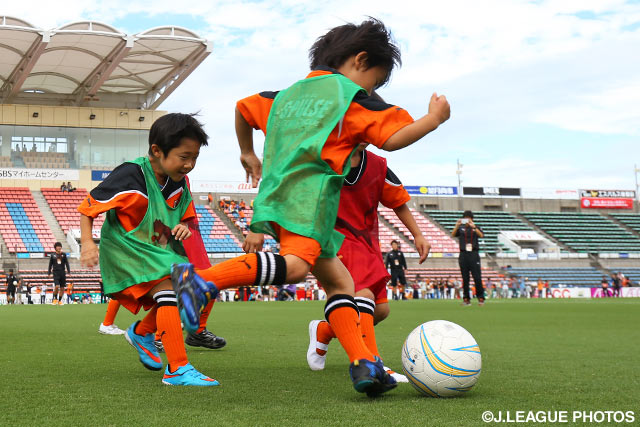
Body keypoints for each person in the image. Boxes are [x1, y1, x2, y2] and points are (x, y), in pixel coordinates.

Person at [171, 18, 450, 397]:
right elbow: (393, 139)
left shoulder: (284, 95)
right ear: (360, 60)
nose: (373, 89)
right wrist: (433, 120)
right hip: (313, 197)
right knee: (297, 267)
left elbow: (242, 108)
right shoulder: (349, 98)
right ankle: (201, 282)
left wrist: (248, 153)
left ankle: (364, 364)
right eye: (376, 81)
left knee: (341, 283)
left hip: (276, 193)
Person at [77, 113, 219, 386]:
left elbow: (181, 219)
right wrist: (87, 244)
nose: (189, 165)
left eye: (195, 158)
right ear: (157, 150)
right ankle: (178, 368)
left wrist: (182, 228)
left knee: (192, 292)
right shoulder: (131, 175)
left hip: (158, 247)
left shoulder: (177, 179)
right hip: (126, 247)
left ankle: (142, 332)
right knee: (168, 291)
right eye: (184, 156)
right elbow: (88, 207)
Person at [305, 145, 430, 383]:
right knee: (363, 296)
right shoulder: (322, 157)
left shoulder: (378, 166)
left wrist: (418, 235)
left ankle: (325, 330)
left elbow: (398, 201)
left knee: (380, 311)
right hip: (334, 239)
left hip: (367, 243)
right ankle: (372, 363)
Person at [451, 211, 485, 306]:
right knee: (465, 278)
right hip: (463, 254)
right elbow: (453, 234)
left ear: (472, 219)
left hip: (474, 254)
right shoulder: (461, 228)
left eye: (468, 218)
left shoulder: (476, 227)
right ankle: (466, 299)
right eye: (465, 218)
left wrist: (473, 226)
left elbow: (481, 235)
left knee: (477, 277)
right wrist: (457, 225)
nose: (467, 221)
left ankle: (481, 298)